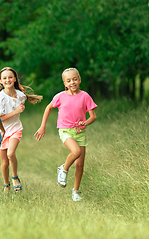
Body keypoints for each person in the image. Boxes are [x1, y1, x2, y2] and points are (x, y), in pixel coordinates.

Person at [34, 68, 97, 201]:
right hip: (65, 130)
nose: (72, 82)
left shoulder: (85, 96)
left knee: (80, 164)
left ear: (79, 80)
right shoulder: (60, 96)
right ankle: (63, 168)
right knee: (76, 151)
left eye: (75, 79)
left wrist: (85, 123)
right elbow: (48, 108)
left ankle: (76, 191)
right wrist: (42, 126)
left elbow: (93, 116)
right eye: (68, 81)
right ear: (65, 84)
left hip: (80, 131)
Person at [0, 67, 42, 192]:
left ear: (15, 79)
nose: (8, 80)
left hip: (15, 128)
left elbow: (19, 103)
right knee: (4, 163)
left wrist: (18, 110)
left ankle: (15, 178)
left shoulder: (21, 95)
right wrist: (16, 111)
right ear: (0, 81)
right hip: (1, 131)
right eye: (4, 78)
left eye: (10, 77)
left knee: (11, 154)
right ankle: (6, 185)